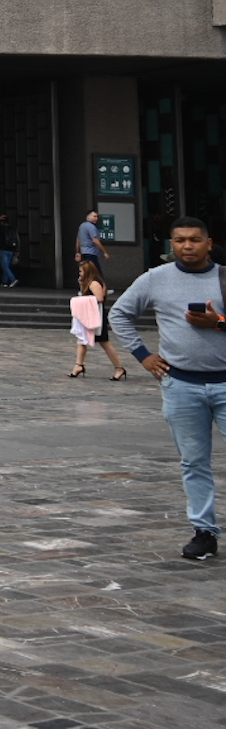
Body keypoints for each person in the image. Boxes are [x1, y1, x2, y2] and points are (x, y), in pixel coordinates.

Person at [108, 216, 226, 561]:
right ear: (170, 244)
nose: (187, 246)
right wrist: (143, 356)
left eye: (194, 239)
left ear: (208, 242)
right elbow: (119, 314)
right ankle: (204, 531)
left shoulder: (223, 277)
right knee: (194, 462)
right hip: (182, 386)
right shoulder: (155, 279)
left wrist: (217, 322)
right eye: (179, 240)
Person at [68, 259, 127, 380]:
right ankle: (79, 365)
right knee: (82, 340)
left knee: (104, 342)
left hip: (96, 316)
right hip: (89, 315)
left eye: (81, 271)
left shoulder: (94, 283)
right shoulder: (87, 282)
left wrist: (81, 300)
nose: (80, 273)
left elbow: (99, 298)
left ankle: (119, 367)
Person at [76, 210, 107, 283]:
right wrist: (104, 252)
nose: (96, 218)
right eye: (94, 216)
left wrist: (78, 252)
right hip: (91, 252)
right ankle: (101, 287)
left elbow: (78, 240)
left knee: (86, 271)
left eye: (97, 217)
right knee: (96, 271)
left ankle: (85, 287)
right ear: (88, 217)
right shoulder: (91, 227)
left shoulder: (82, 226)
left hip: (84, 252)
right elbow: (95, 240)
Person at [0, 212, 21, 287]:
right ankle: (4, 282)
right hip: (11, 249)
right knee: (6, 266)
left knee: (4, 265)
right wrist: (17, 250)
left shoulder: (1, 228)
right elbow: (17, 239)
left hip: (3, 249)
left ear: (2, 222)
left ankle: (13, 279)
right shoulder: (13, 229)